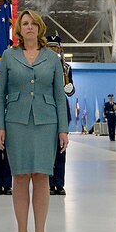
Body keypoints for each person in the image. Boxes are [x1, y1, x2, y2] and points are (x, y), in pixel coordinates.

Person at [0, 9, 69, 232]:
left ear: (40, 28)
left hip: (46, 123)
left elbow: (59, 96)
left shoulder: (52, 58)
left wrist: (63, 129)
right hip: (16, 122)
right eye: (25, 23)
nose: (29, 27)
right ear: (19, 29)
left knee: (42, 177)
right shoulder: (8, 55)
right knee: (20, 177)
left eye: (33, 24)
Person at [46, 36, 75, 195]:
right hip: (47, 108)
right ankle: (50, 183)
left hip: (61, 108)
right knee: (49, 149)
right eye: (50, 47)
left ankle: (60, 183)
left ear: (59, 49)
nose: (53, 50)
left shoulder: (66, 67)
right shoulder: (43, 64)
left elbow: (70, 91)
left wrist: (68, 87)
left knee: (61, 148)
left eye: (55, 48)